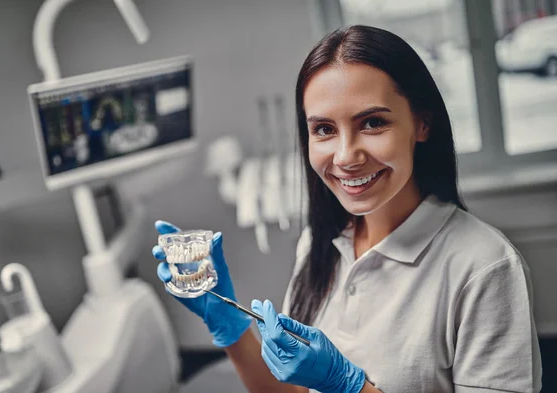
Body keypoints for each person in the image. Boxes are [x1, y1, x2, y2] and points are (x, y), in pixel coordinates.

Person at [152, 25, 542, 393]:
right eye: (323, 129)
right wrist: (231, 326)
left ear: (422, 124)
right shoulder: (319, 244)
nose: (346, 157)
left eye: (372, 123)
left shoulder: (485, 268)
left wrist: (349, 385)